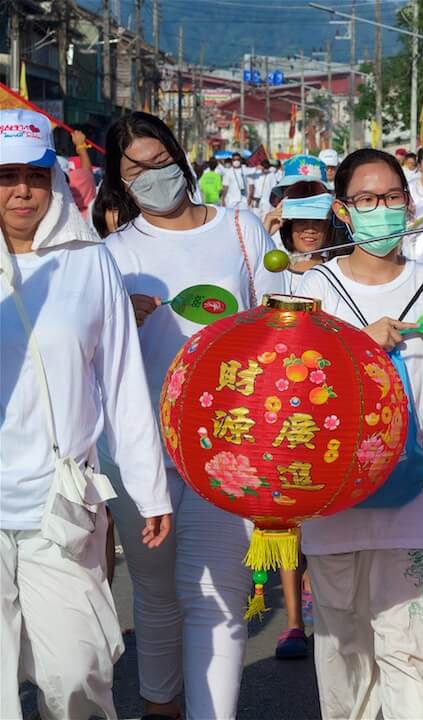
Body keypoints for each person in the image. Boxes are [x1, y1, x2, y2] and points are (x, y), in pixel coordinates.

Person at [97, 112, 284, 720]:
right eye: (138, 170)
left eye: (161, 161)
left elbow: (278, 324)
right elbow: (86, 349)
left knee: (219, 595)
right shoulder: (110, 254)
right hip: (139, 446)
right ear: (120, 183)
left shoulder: (241, 230)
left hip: (226, 441)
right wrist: (117, 313)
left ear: (181, 157)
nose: (155, 176)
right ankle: (160, 704)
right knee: (154, 592)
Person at [0, 108, 172, 720]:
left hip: (61, 500)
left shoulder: (88, 260)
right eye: (5, 175)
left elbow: (123, 381)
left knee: (77, 673)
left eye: (35, 175)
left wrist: (151, 489)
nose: (22, 190)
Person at [294, 148, 423, 720]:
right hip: (333, 499)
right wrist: (357, 347)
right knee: (345, 649)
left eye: (392, 197)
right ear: (344, 210)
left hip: (415, 492)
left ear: (408, 202)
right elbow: (293, 396)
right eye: (367, 200)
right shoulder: (312, 291)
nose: (381, 210)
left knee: (419, 649)